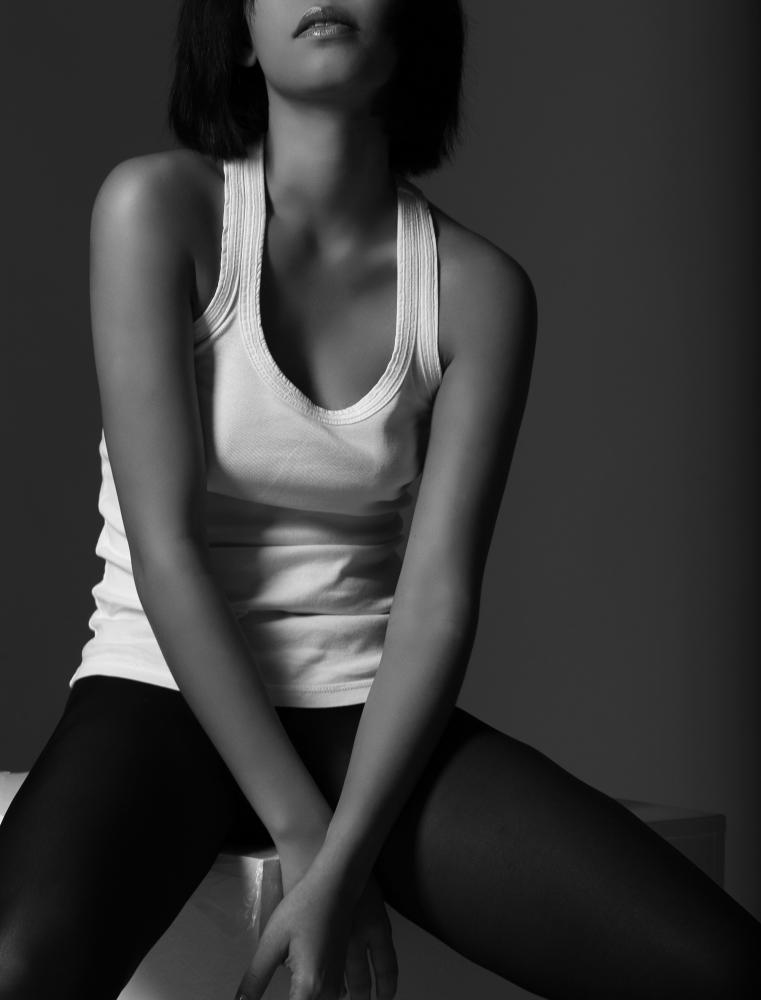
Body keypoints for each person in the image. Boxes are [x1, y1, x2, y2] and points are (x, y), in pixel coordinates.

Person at [0, 1, 759, 998]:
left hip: (365, 715)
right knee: (16, 967)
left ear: (410, 25)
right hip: (157, 691)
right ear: (237, 32)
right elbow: (166, 546)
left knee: (718, 968)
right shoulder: (157, 208)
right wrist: (309, 842)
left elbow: (437, 598)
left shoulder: (478, 291)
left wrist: (348, 847)